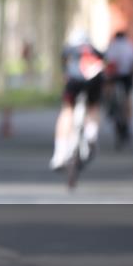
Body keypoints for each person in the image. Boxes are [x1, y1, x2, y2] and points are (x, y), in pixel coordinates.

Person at [50, 29, 105, 171]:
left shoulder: (69, 49)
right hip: (94, 82)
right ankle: (91, 132)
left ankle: (59, 155)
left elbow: (63, 66)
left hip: (74, 82)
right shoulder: (93, 50)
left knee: (67, 111)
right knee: (93, 106)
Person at [104, 30, 133, 135]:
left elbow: (107, 61)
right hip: (127, 75)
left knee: (107, 89)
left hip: (114, 75)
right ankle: (127, 120)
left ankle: (109, 106)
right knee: (128, 97)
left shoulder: (112, 46)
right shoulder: (130, 46)